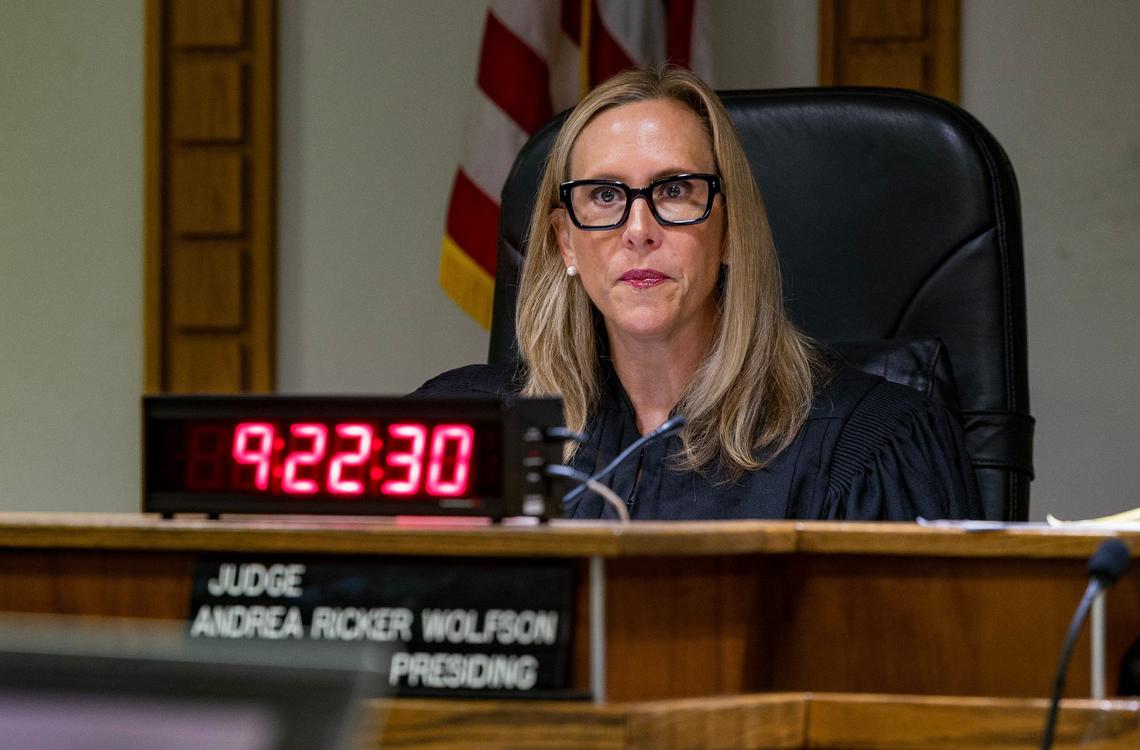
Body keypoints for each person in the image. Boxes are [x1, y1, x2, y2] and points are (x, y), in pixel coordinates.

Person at [416, 66, 982, 521]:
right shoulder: (465, 431)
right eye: (605, 196)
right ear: (565, 242)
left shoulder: (871, 445)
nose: (638, 229)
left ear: (731, 233)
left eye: (677, 190)